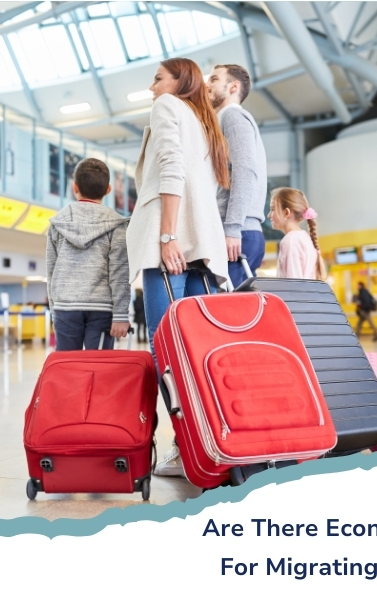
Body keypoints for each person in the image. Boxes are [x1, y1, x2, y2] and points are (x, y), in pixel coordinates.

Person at [125, 57, 231, 477]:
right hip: (203, 242)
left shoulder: (168, 107)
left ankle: (186, 448)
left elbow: (170, 170)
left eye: (158, 79)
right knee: (199, 348)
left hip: (174, 241)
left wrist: (167, 236)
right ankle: (213, 442)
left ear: (178, 81)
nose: (152, 88)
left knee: (165, 347)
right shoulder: (202, 121)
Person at [46, 158, 131, 351]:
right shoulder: (116, 225)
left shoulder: (58, 223)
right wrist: (120, 314)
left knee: (68, 368)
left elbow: (51, 271)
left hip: (65, 307)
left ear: (74, 187)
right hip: (102, 309)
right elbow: (120, 272)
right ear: (108, 190)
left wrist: (54, 311)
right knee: (99, 369)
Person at [206, 64, 268, 288]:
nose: (206, 84)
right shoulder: (224, 118)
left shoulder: (231, 116)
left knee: (229, 317)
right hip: (239, 231)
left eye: (214, 79)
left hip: (238, 233)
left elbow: (244, 171)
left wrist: (232, 228)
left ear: (233, 86)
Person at [268, 187, 327, 280]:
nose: (269, 215)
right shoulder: (304, 237)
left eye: (272, 209)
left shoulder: (291, 240)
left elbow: (293, 285)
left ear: (286, 212)